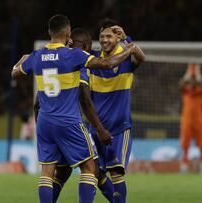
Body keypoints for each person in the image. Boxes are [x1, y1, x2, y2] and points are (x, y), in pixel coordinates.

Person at [11, 14, 135, 203]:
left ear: (49, 33)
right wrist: (130, 49)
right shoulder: (73, 55)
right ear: (68, 32)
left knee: (47, 172)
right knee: (89, 167)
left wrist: (23, 58)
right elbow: (107, 64)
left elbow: (15, 72)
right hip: (68, 121)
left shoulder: (37, 56)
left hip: (44, 122)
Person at [84, 20, 145, 203]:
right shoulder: (94, 59)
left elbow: (141, 57)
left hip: (119, 128)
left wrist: (126, 39)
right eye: (102, 36)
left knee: (116, 171)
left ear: (116, 38)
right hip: (96, 128)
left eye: (109, 36)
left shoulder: (127, 57)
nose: (104, 40)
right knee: (94, 173)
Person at [179, 64, 202, 174]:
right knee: (185, 144)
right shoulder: (186, 91)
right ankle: (184, 165)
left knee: (200, 144)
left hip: (199, 121)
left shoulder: (200, 92)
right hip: (186, 121)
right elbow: (181, 85)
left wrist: (198, 74)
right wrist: (187, 74)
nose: (192, 82)